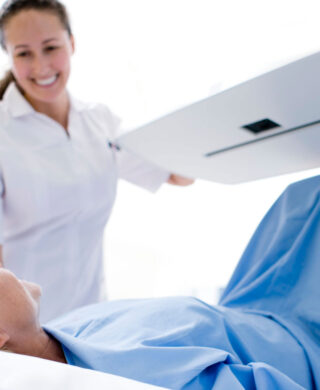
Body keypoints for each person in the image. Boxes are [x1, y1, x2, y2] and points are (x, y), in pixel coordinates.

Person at [0, 175, 320, 390]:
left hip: (253, 303)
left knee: (300, 198)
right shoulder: (131, 376)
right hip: (299, 334)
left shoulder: (64, 332)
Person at [0, 0, 194, 322]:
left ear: (72, 43)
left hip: (90, 323)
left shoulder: (99, 122)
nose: (41, 66)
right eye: (24, 53)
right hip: (22, 332)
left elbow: (179, 175)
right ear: (9, 55)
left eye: (50, 47)